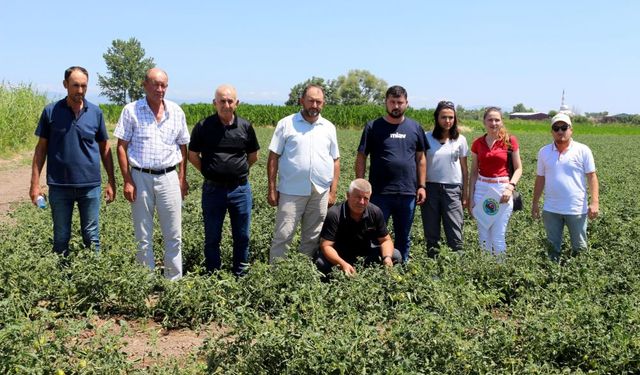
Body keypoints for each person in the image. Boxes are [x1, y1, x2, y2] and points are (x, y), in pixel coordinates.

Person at [29, 66, 116, 256]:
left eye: (84, 86)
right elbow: (41, 149)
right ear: (65, 85)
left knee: (92, 236)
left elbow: (105, 148)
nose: (80, 90)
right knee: (60, 237)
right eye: (75, 85)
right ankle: (62, 281)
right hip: (60, 186)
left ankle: (95, 279)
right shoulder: (51, 112)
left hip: (90, 186)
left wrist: (112, 181)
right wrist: (35, 184)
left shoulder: (96, 112)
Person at [114, 68, 190, 281]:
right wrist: (127, 180)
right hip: (140, 177)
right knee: (143, 235)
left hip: (169, 177)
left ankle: (173, 283)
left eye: (163, 85)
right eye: (155, 84)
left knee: (174, 234)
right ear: (145, 85)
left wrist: (182, 179)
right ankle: (145, 282)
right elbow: (121, 146)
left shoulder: (176, 111)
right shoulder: (132, 110)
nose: (160, 89)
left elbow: (183, 147)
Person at [188, 84, 259, 276]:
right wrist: (209, 172)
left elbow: (253, 156)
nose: (226, 105)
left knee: (242, 236)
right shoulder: (203, 126)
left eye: (230, 101)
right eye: (222, 101)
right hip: (213, 190)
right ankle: (213, 275)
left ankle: (240, 275)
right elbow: (192, 155)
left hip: (240, 190)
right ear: (214, 103)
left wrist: (238, 171)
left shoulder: (245, 127)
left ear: (237, 103)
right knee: (212, 237)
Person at [267, 84, 340, 263]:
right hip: (291, 190)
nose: (314, 105)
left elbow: (335, 160)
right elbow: (273, 157)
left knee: (312, 238)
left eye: (318, 102)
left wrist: (333, 191)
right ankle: (275, 276)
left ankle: (303, 275)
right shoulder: (286, 124)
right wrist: (271, 188)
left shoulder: (328, 127)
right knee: (283, 235)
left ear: (323, 104)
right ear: (302, 101)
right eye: (311, 101)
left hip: (320, 191)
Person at [355, 85, 427, 262]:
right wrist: (360, 185)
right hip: (380, 193)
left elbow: (421, 159)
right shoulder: (373, 126)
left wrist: (422, 186)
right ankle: (373, 268)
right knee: (374, 234)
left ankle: (402, 268)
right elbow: (362, 156)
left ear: (407, 103)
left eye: (400, 102)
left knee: (404, 235)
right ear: (386, 102)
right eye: (392, 102)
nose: (396, 106)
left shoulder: (415, 127)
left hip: (407, 192)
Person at [531, 113, 599, 262]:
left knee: (580, 248)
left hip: (576, 209)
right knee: (552, 248)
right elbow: (540, 178)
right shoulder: (544, 152)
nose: (560, 131)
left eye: (564, 127)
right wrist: (535, 203)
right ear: (552, 131)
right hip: (551, 209)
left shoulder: (583, 150)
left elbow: (592, 177)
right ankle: (554, 280)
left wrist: (594, 203)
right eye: (556, 128)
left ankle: (580, 278)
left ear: (571, 129)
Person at [315, 179, 402, 276]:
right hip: (340, 255)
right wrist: (342, 264)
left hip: (364, 254)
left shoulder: (375, 212)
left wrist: (387, 258)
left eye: (366, 198)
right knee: (321, 263)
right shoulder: (334, 214)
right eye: (358, 197)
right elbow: (326, 246)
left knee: (395, 255)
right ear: (348, 195)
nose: (362, 202)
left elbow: (385, 240)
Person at [468, 107, 522, 256]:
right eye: (490, 119)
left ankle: (499, 272)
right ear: (484, 121)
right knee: (484, 237)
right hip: (481, 189)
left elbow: (518, 169)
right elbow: (473, 173)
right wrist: (470, 198)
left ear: (501, 121)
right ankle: (485, 271)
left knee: (498, 236)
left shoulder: (510, 141)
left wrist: (510, 188)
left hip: (502, 189)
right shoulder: (477, 143)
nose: (494, 123)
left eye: (497, 119)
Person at [421, 100, 468, 256]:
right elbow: (420, 163)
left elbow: (464, 169)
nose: (447, 121)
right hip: (431, 188)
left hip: (453, 189)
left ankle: (457, 269)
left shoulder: (460, 140)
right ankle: (433, 268)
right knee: (431, 232)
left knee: (455, 231)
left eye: (451, 117)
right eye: (444, 117)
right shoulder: (426, 137)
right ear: (437, 118)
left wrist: (465, 192)